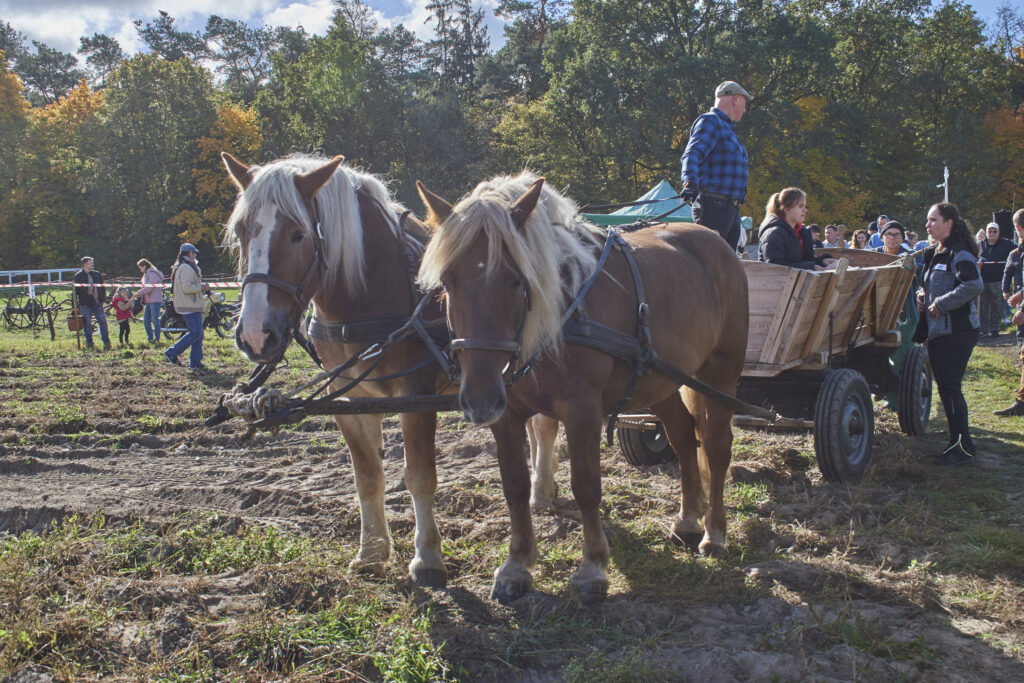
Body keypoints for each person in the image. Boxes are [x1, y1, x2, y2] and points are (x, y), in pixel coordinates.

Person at [914, 202, 983, 465]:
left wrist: (941, 303)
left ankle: (961, 449)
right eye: (927, 220)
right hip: (941, 332)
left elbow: (973, 285)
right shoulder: (938, 252)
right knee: (948, 389)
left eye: (933, 220)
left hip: (957, 332)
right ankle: (959, 444)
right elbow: (933, 285)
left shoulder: (959, 253)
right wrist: (924, 296)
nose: (928, 225)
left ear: (949, 223)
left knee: (951, 389)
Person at [680, 80, 753, 251]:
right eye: (744, 102)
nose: (744, 109)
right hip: (713, 205)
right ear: (735, 99)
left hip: (729, 208)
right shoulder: (710, 121)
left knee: (726, 270)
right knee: (710, 267)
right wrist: (690, 182)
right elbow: (692, 154)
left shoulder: (727, 129)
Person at [757, 187, 835, 271]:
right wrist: (811, 267)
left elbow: (804, 261)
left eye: (805, 206)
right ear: (787, 208)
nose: (805, 210)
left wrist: (822, 261)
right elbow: (775, 267)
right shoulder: (773, 233)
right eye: (800, 206)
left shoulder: (803, 232)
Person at [993, 209, 1024, 416]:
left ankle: (1021, 402)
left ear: (1018, 228)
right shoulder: (1016, 252)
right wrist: (1013, 295)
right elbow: (1008, 277)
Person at [164, 243, 209, 372]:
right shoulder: (187, 268)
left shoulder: (183, 267)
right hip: (189, 305)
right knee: (195, 333)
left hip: (189, 304)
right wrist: (201, 287)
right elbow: (187, 288)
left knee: (198, 334)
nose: (195, 255)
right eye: (194, 253)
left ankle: (195, 362)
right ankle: (172, 352)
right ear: (190, 253)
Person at [978, 221, 1014, 337]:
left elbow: (1017, 252)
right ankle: (983, 329)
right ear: (986, 233)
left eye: (994, 231)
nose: (992, 233)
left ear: (999, 233)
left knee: (997, 306)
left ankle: (994, 329)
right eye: (990, 231)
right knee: (982, 307)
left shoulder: (1006, 244)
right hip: (983, 281)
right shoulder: (979, 245)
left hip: (999, 281)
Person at [72, 256, 111, 350]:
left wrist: (103, 298)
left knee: (103, 323)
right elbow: (74, 292)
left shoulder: (97, 274)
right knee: (87, 325)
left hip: (98, 304)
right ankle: (90, 344)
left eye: (92, 263)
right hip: (85, 304)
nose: (92, 264)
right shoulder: (78, 276)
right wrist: (74, 306)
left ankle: (106, 343)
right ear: (85, 264)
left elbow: (102, 288)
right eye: (90, 263)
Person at [132, 258, 164, 343]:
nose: (140, 270)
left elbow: (149, 288)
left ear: (144, 266)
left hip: (155, 300)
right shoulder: (147, 274)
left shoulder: (152, 274)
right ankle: (150, 338)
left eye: (140, 268)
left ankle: (157, 339)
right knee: (146, 320)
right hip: (149, 300)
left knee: (155, 320)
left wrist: (138, 293)